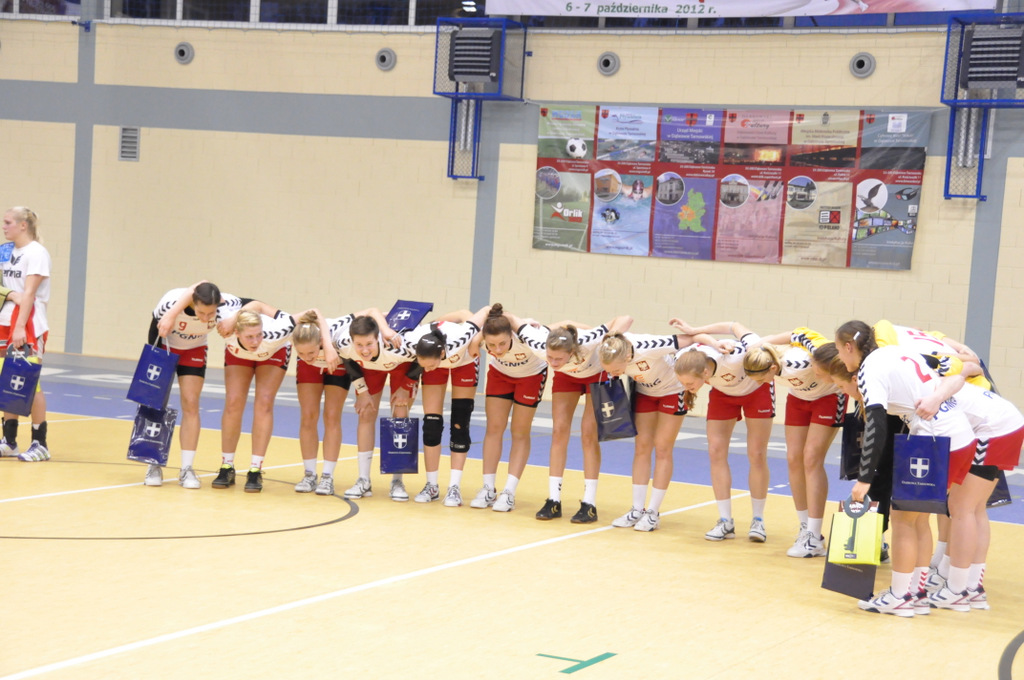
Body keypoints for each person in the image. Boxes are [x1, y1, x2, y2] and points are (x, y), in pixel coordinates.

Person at [832, 320, 977, 618]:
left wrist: (864, 478)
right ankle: (917, 594)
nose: (840, 357)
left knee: (902, 520)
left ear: (849, 347)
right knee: (918, 519)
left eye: (838, 349)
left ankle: (899, 596)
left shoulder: (870, 369)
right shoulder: (897, 352)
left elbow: (876, 426)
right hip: (959, 436)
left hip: (932, 439)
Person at [915, 375, 1024, 611]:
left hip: (993, 428)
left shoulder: (913, 389)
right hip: (1006, 422)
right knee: (975, 508)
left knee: (961, 508)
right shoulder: (925, 376)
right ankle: (972, 587)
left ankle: (957, 590)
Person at [601, 328, 721, 532]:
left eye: (616, 370)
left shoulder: (649, 346)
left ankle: (653, 513)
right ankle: (637, 509)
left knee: (663, 448)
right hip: (645, 393)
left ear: (628, 357)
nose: (612, 374)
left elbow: (692, 338)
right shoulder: (609, 350)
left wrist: (716, 344)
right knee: (641, 447)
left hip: (672, 391)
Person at [519, 314, 632, 523]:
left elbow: (625, 318)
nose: (552, 361)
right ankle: (553, 499)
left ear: (572, 351)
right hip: (567, 375)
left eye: (557, 358)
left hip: (596, 374)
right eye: (550, 357)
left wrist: (611, 340)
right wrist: (529, 323)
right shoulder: (542, 346)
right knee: (558, 431)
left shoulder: (588, 340)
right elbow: (511, 321)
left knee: (588, 434)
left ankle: (589, 503)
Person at [746, 328, 848, 557]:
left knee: (811, 458)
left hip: (829, 396)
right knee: (793, 458)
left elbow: (800, 333)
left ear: (773, 368)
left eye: (761, 379)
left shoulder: (801, 362)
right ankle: (805, 527)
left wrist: (767, 339)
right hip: (798, 399)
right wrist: (759, 342)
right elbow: (737, 330)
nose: (760, 384)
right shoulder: (759, 358)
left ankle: (814, 535)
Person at [672, 320, 775, 543]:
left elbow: (735, 325)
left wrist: (704, 334)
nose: (685, 387)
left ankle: (758, 520)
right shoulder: (683, 359)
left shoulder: (735, 356)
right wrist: (700, 333)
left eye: (689, 383)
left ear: (705, 372)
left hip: (756, 389)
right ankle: (725, 521)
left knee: (757, 453)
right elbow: (696, 339)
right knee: (715, 451)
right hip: (723, 394)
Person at [142, 281, 243, 488]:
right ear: (192, 303)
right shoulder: (169, 304)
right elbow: (154, 333)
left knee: (191, 402)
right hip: (165, 345)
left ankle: (186, 468)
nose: (206, 318)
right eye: (201, 312)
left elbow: (255, 305)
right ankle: (153, 464)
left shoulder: (228, 304)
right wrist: (170, 317)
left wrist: (234, 319)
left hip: (194, 349)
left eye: (210, 314)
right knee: (156, 403)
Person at [402, 308, 487, 506]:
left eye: (429, 366)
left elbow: (468, 313)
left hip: (464, 361)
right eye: (424, 366)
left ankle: (454, 488)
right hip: (433, 359)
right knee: (431, 424)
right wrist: (434, 325)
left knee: (460, 422)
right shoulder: (413, 340)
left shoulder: (460, 338)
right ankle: (431, 485)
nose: (426, 369)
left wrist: (476, 338)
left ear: (442, 352)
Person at [470, 304, 549, 513]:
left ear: (511, 335)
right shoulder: (480, 339)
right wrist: (476, 341)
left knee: (520, 431)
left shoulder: (528, 336)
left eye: (503, 343)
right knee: (494, 428)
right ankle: (488, 488)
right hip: (500, 375)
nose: (497, 350)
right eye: (492, 345)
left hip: (531, 376)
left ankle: (509, 492)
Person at [216, 301, 301, 493]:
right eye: (249, 337)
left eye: (257, 335)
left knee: (264, 402)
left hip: (273, 350)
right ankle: (226, 466)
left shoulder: (276, 332)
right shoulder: (225, 325)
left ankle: (255, 469)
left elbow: (310, 313)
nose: (254, 341)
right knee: (233, 402)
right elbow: (204, 292)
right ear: (236, 332)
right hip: (239, 352)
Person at [335, 309, 418, 502]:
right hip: (370, 368)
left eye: (369, 344)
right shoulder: (344, 344)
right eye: (359, 345)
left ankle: (397, 481)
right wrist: (362, 390)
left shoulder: (400, 347)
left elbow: (420, 359)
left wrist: (406, 386)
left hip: (401, 365)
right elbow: (348, 361)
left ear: (378, 338)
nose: (364, 350)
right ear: (351, 340)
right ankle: (363, 479)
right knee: (365, 413)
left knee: (400, 416)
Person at [0, 207, 52, 462]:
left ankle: (40, 443)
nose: (3, 227)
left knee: (29, 380)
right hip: (4, 319)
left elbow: (29, 293)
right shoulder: (5, 250)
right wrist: (10, 294)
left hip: (28, 321)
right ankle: (9, 441)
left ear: (23, 225)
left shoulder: (37, 253)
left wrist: (20, 327)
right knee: (7, 379)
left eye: (8, 222)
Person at [289, 310, 351, 496]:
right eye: (301, 352)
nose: (307, 356)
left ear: (322, 342)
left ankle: (327, 476)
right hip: (310, 371)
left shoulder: (338, 337)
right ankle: (309, 474)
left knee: (332, 416)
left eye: (311, 352)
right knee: (308, 416)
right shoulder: (302, 349)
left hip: (337, 364)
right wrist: (306, 357)